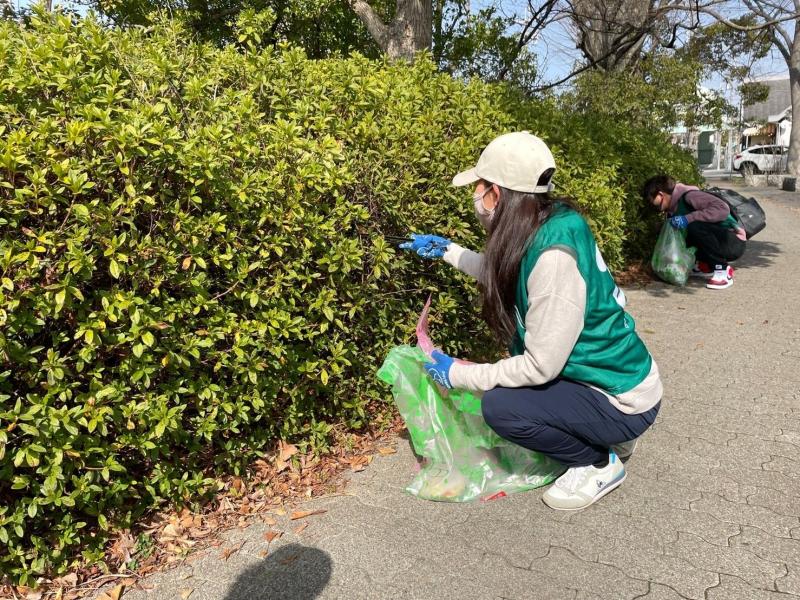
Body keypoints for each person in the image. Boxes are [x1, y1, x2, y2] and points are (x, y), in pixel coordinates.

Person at [398, 132, 663, 511]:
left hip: (622, 398)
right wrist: (449, 251)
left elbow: (540, 366)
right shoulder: (550, 223)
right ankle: (607, 434)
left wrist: (458, 374)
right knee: (513, 394)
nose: (475, 194)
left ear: (498, 195)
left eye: (480, 185)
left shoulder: (553, 257)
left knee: (503, 408)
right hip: (613, 380)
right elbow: (508, 273)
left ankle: (597, 463)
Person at [642, 175, 746, 290]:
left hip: (732, 242)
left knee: (693, 226)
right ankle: (705, 266)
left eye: (652, 199)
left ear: (661, 194)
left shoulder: (690, 196)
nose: (651, 203)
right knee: (680, 231)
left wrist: (688, 218)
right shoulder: (672, 209)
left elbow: (723, 209)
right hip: (720, 240)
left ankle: (722, 269)